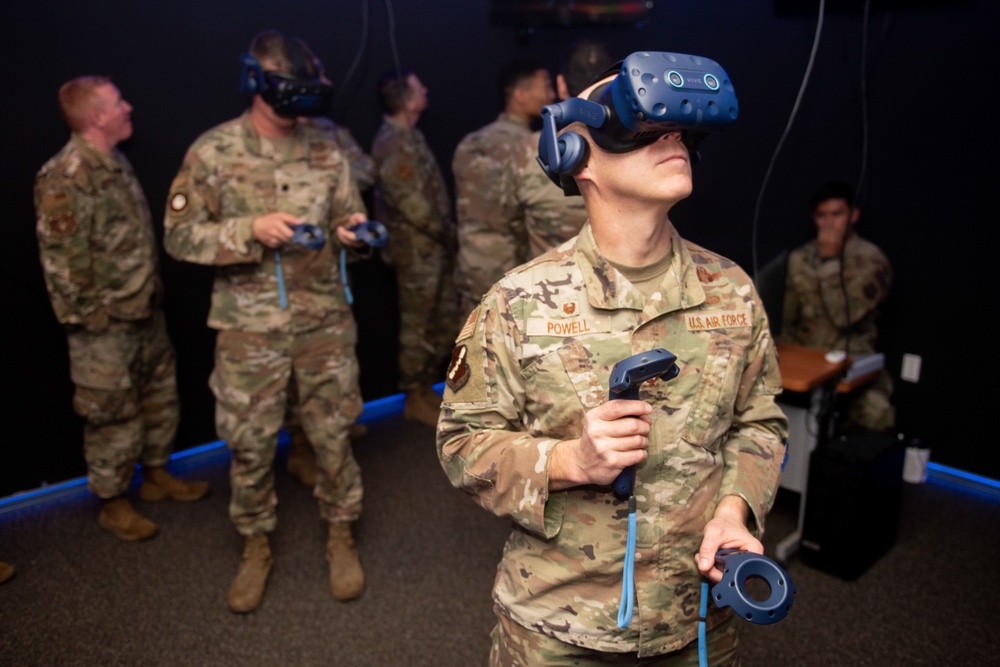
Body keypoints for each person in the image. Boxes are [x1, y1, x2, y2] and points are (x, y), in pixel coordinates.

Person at [436, 63, 788, 664]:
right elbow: (462, 444)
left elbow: (760, 422)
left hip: (695, 621)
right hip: (557, 628)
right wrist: (571, 460)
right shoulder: (519, 302)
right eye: (644, 129)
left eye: (680, 132)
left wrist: (735, 510)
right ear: (577, 155)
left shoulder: (730, 290)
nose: (672, 141)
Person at [163, 30, 369, 613]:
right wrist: (246, 230)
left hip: (325, 320)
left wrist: (352, 232)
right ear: (257, 82)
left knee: (333, 434)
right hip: (249, 328)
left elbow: (345, 216)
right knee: (250, 444)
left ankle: (341, 530)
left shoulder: (329, 148)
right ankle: (255, 543)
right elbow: (178, 235)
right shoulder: (214, 151)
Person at [33, 76, 209, 543]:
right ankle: (113, 503)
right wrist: (96, 321)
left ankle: (155, 475)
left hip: (142, 311)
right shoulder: (66, 175)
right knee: (110, 414)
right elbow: (63, 262)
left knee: (158, 397)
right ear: (95, 117)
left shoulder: (113, 162)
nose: (127, 108)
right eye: (117, 103)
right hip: (103, 326)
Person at [372, 69, 458, 427]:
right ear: (406, 99)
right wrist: (449, 233)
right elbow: (413, 206)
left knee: (438, 322)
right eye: (418, 86)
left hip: (432, 250)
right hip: (416, 253)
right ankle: (413, 393)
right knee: (417, 326)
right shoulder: (393, 143)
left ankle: (424, 388)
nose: (425, 88)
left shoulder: (410, 135)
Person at [780, 181, 894, 432]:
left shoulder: (872, 260)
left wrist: (830, 260)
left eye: (837, 214)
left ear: (853, 215)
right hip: (807, 359)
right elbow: (787, 321)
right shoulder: (800, 258)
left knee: (874, 412)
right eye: (822, 216)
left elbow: (844, 316)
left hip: (853, 363)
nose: (829, 223)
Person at [452, 58, 555, 314]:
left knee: (471, 344)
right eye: (545, 86)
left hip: (470, 263)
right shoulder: (530, 148)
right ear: (520, 94)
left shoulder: (470, 142)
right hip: (512, 266)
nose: (552, 94)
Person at [510, 41, 613, 260]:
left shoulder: (526, 150)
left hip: (547, 287)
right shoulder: (644, 146)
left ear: (561, 85)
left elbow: (510, 223)